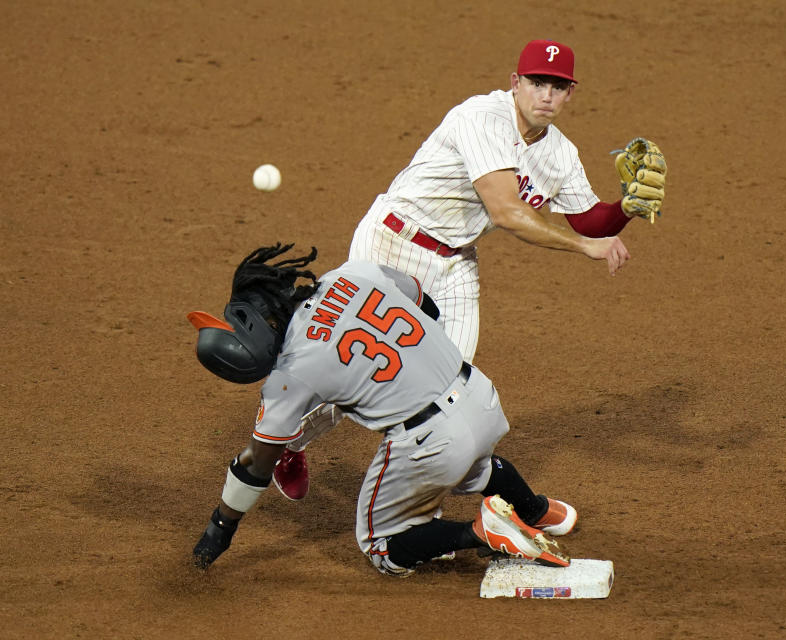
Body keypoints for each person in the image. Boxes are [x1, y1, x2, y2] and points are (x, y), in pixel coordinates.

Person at [272, 38, 667, 499]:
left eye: (558, 87)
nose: (546, 96)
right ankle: (287, 441)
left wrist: (627, 208)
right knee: (358, 363)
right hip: (392, 243)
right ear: (515, 83)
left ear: (571, 93)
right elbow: (507, 213)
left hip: (456, 262)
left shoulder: (560, 153)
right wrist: (586, 247)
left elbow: (590, 219)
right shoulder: (481, 117)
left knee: (448, 388)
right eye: (538, 83)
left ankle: (409, 498)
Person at [189, 243, 577, 575]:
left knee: (383, 549)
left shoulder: (291, 376)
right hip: (481, 395)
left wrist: (220, 527)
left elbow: (258, 464)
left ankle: (482, 531)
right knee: (471, 466)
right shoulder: (352, 272)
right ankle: (536, 510)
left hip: (434, 441)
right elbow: (428, 307)